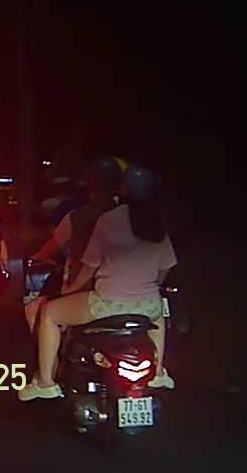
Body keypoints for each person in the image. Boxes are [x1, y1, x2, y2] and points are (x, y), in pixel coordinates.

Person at [18, 166, 177, 401]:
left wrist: (70, 290)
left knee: (50, 313)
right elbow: (166, 266)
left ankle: (45, 383)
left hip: (107, 303)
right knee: (158, 316)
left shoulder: (108, 221)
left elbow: (89, 267)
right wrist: (151, 286)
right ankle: (159, 373)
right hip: (148, 304)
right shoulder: (157, 223)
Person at [24, 156, 124, 332]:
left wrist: (36, 258)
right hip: (129, 293)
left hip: (89, 293)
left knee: (36, 310)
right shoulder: (131, 219)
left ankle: (51, 351)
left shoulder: (77, 218)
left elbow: (52, 249)